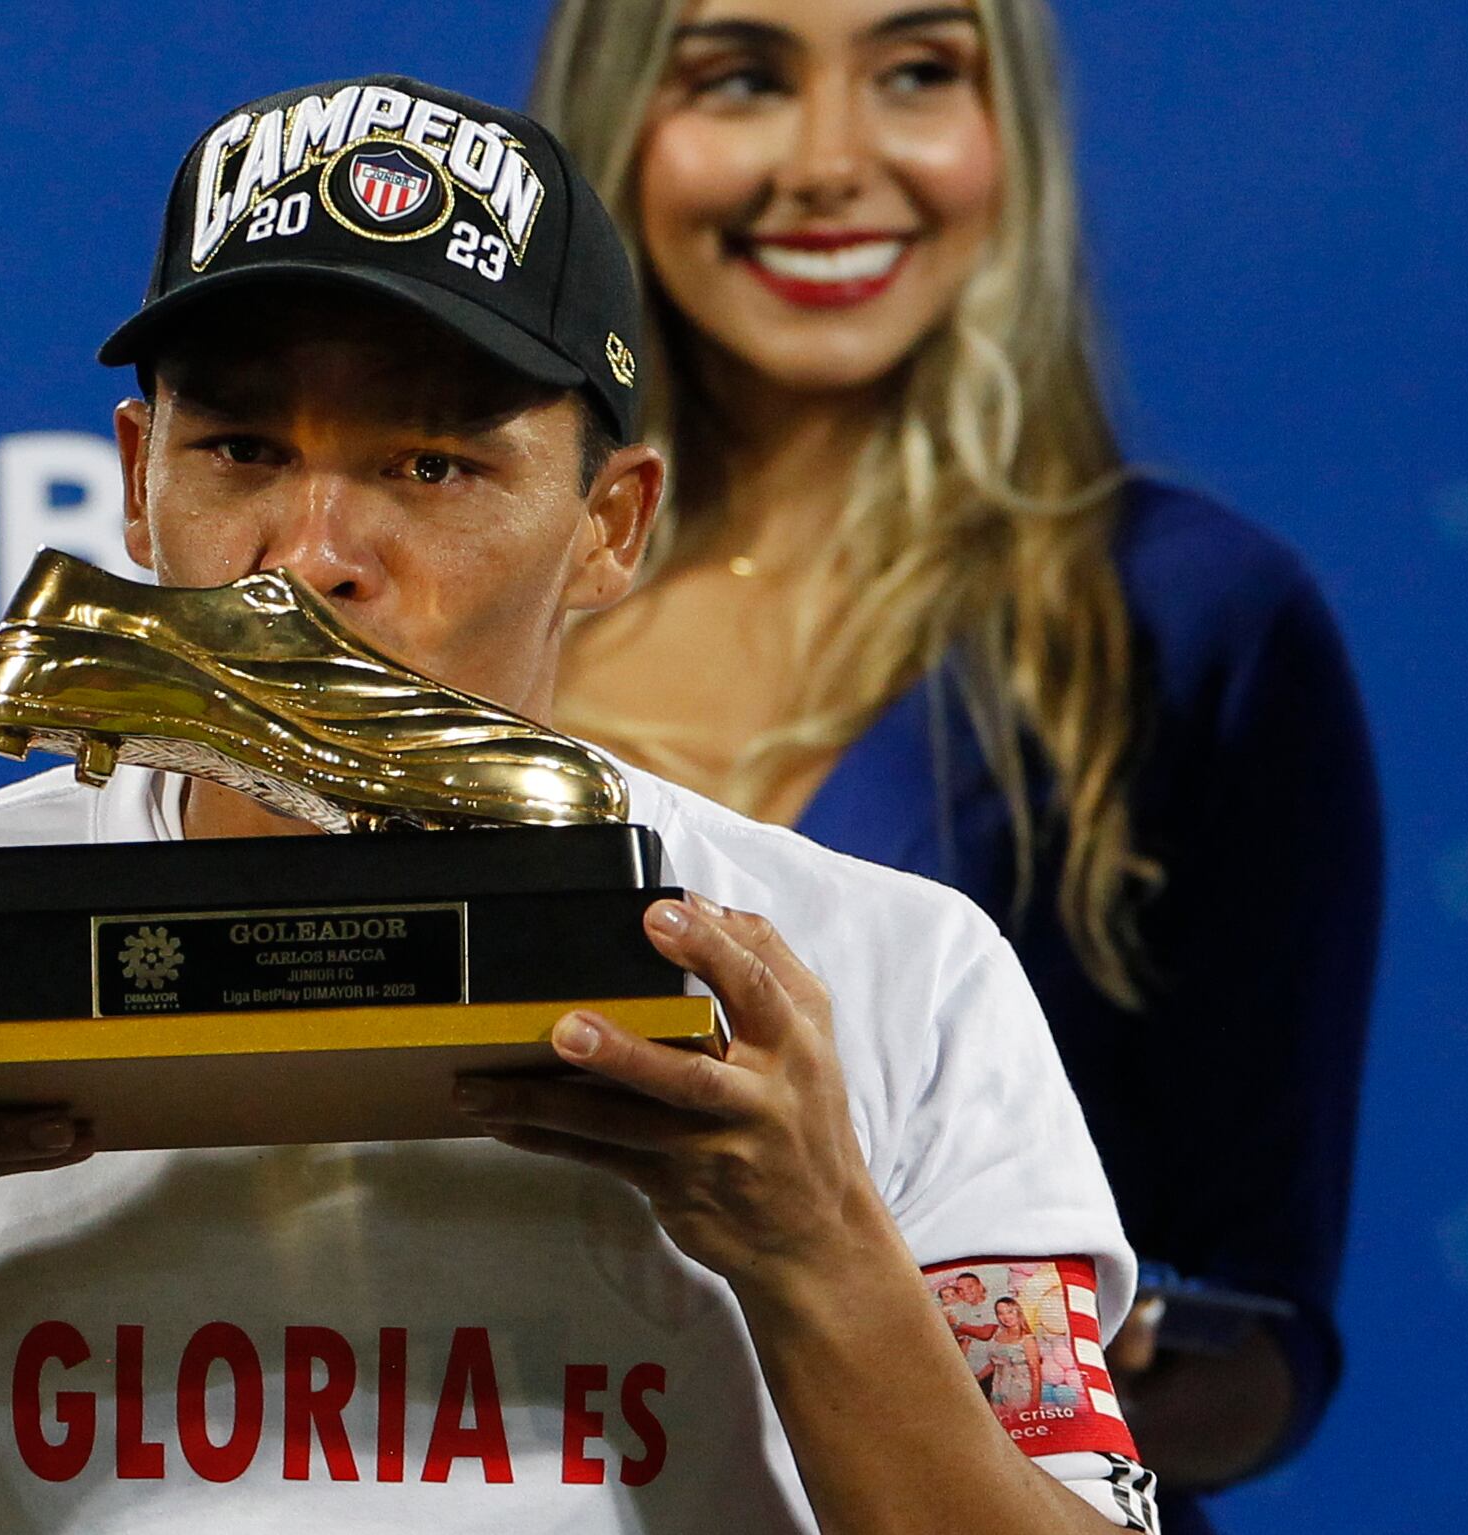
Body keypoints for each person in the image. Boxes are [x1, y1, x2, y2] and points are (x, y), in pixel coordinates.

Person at [0, 76, 1159, 1533]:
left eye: (428, 465)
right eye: (243, 448)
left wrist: (817, 1243)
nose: (309, 552)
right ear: (137, 478)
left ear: (611, 525)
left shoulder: (887, 972)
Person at [530, 2, 1382, 1522]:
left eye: (918, 73)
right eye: (742, 80)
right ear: (614, 119)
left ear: (1017, 135)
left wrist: (1037, 1347)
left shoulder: (1185, 618)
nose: (833, 161)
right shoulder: (467, 587)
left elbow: (1270, 1324)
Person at [991, 1297, 1045, 1419]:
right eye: (1001, 1313)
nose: (1006, 1317)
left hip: (1020, 1389)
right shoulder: (998, 1334)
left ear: (1018, 1312)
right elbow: (995, 1363)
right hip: (999, 1387)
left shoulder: (1027, 1339)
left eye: (1009, 1312)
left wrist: (1034, 1403)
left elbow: (1035, 1372)